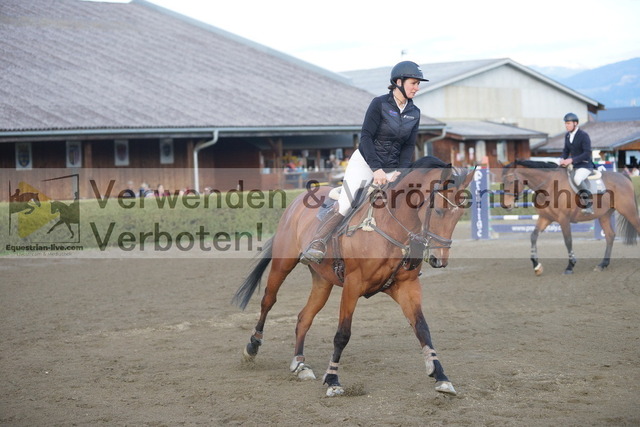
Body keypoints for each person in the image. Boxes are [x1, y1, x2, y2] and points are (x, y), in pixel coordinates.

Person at [300, 60, 428, 264]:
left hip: (391, 168)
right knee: (348, 202)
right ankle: (318, 243)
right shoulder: (379, 104)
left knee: (404, 204)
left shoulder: (415, 112)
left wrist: (400, 172)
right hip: (365, 162)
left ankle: (405, 256)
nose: (417, 87)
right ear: (398, 82)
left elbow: (409, 146)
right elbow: (366, 137)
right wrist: (376, 169)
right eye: (413, 83)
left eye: (418, 84)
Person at [558, 113, 594, 214]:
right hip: (574, 165)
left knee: (577, 178)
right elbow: (566, 151)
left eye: (568, 123)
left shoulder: (583, 135)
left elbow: (587, 153)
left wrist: (571, 160)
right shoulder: (567, 135)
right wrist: (562, 159)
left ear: (575, 123)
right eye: (565, 124)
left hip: (585, 165)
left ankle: (589, 204)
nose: (566, 125)